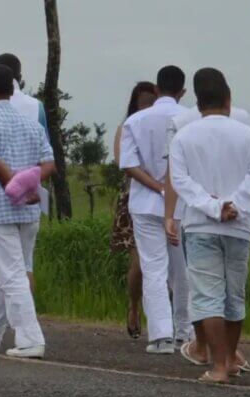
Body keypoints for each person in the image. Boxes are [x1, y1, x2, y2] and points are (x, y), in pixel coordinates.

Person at [168, 68, 250, 383]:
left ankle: (219, 365)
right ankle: (231, 359)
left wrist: (213, 206)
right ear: (228, 99)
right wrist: (236, 205)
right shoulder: (247, 134)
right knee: (233, 295)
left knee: (207, 295)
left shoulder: (185, 136)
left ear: (198, 104)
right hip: (238, 226)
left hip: (200, 225)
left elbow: (180, 180)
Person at [0, 64, 56, 358]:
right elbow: (48, 164)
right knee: (9, 272)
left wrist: (15, 186)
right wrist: (31, 185)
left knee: (11, 274)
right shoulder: (30, 124)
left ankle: (30, 339)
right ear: (14, 89)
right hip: (29, 211)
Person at [119, 65, 192, 354]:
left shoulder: (135, 121)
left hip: (145, 205)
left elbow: (128, 164)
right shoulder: (190, 119)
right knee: (182, 270)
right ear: (182, 91)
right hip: (182, 206)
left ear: (157, 90)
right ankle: (184, 333)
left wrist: (157, 186)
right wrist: (170, 188)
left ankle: (161, 335)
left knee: (153, 269)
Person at [110, 81, 157, 339]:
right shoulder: (127, 127)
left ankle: (162, 319)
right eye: (144, 101)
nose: (148, 106)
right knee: (140, 263)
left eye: (153, 100)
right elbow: (122, 162)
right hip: (135, 198)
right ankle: (134, 305)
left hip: (165, 198)